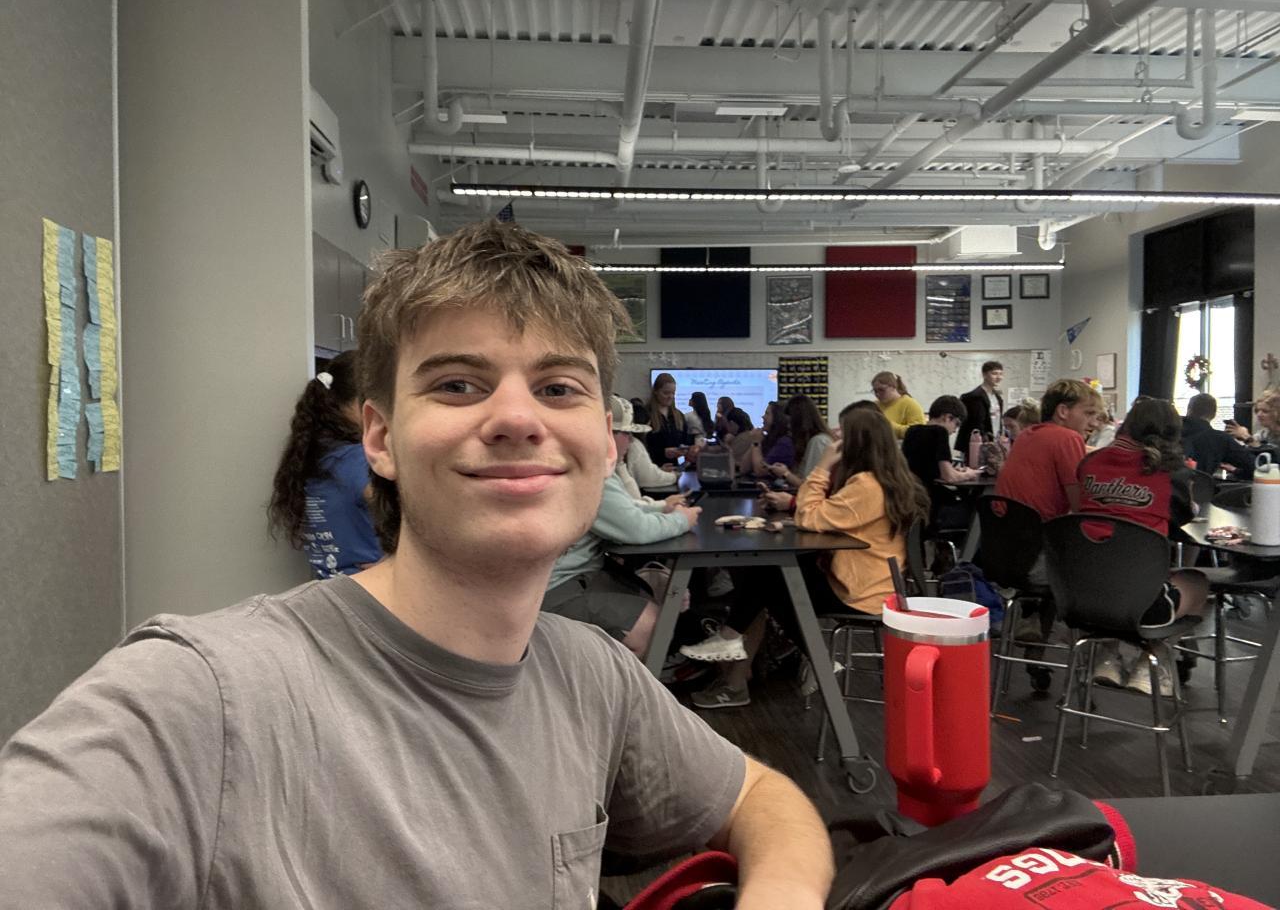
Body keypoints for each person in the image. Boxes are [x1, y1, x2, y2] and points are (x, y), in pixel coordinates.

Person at [0, 221, 833, 908]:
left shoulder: (591, 677)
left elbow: (765, 799)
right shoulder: (199, 699)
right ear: (381, 438)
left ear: (603, 440)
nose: (517, 418)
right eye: (459, 385)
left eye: (558, 388)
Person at [678, 407, 930, 708]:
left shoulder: (866, 485)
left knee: (771, 578)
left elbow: (809, 516)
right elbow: (830, 516)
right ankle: (749, 654)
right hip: (873, 581)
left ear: (857, 441)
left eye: (841, 431)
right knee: (770, 579)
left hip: (860, 592)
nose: (834, 435)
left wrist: (823, 466)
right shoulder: (884, 480)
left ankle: (791, 656)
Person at [544, 395, 700, 655]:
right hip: (555, 589)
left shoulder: (585, 467)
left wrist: (661, 508)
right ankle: (627, 678)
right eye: (626, 433)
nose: (631, 441)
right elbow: (636, 529)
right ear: (604, 432)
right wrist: (682, 520)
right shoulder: (592, 475)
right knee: (652, 624)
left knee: (657, 591)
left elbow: (621, 510)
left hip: (574, 577)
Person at [1076, 398, 1209, 694]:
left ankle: (1107, 657)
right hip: (1142, 605)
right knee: (1196, 581)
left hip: (1079, 596)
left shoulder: (1089, 463)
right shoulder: (1171, 473)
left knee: (1111, 558)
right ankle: (1152, 662)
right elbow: (1182, 520)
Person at [267, 350, 381, 578]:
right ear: (358, 402)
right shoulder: (357, 459)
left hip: (328, 587)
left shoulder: (310, 461)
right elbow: (410, 516)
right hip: (372, 589)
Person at [995, 378, 1103, 522]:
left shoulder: (1026, 434)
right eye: (1088, 414)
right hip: (1038, 529)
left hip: (1002, 526)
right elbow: (1079, 505)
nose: (1094, 424)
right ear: (1063, 411)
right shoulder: (1068, 437)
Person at [903, 395, 985, 531]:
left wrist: (956, 471)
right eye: (956, 424)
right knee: (977, 509)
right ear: (947, 417)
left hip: (914, 500)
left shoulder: (912, 431)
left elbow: (928, 467)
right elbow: (949, 476)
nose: (955, 431)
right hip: (932, 504)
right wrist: (971, 474)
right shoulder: (940, 432)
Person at [1181, 392, 1255, 478]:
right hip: (1198, 485)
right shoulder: (1220, 439)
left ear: (1189, 410)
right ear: (1214, 415)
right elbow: (1253, 466)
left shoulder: (1170, 430)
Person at [769, 394, 835, 484]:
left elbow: (810, 485)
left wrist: (785, 473)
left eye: (790, 423)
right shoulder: (811, 442)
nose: (788, 427)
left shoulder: (818, 442)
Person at [645, 372, 701, 467]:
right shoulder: (645, 414)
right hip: (652, 467)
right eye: (666, 393)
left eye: (673, 393)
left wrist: (689, 448)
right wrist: (662, 452)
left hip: (674, 468)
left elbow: (684, 440)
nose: (670, 396)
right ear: (656, 391)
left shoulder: (678, 415)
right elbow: (642, 446)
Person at [625, 401, 681, 490]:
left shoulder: (633, 444)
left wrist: (658, 470)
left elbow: (643, 470)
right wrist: (675, 476)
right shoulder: (635, 445)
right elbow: (648, 478)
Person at [957, 360, 1004, 450]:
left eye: (1001, 374)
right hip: (977, 443)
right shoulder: (974, 396)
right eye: (994, 374)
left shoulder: (997, 397)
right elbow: (976, 423)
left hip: (994, 441)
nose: (998, 377)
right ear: (984, 375)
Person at [871, 370, 926, 439]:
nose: (877, 394)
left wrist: (888, 426)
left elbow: (920, 432)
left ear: (893, 387)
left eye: (881, 390)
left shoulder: (910, 404)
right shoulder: (874, 405)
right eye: (875, 391)